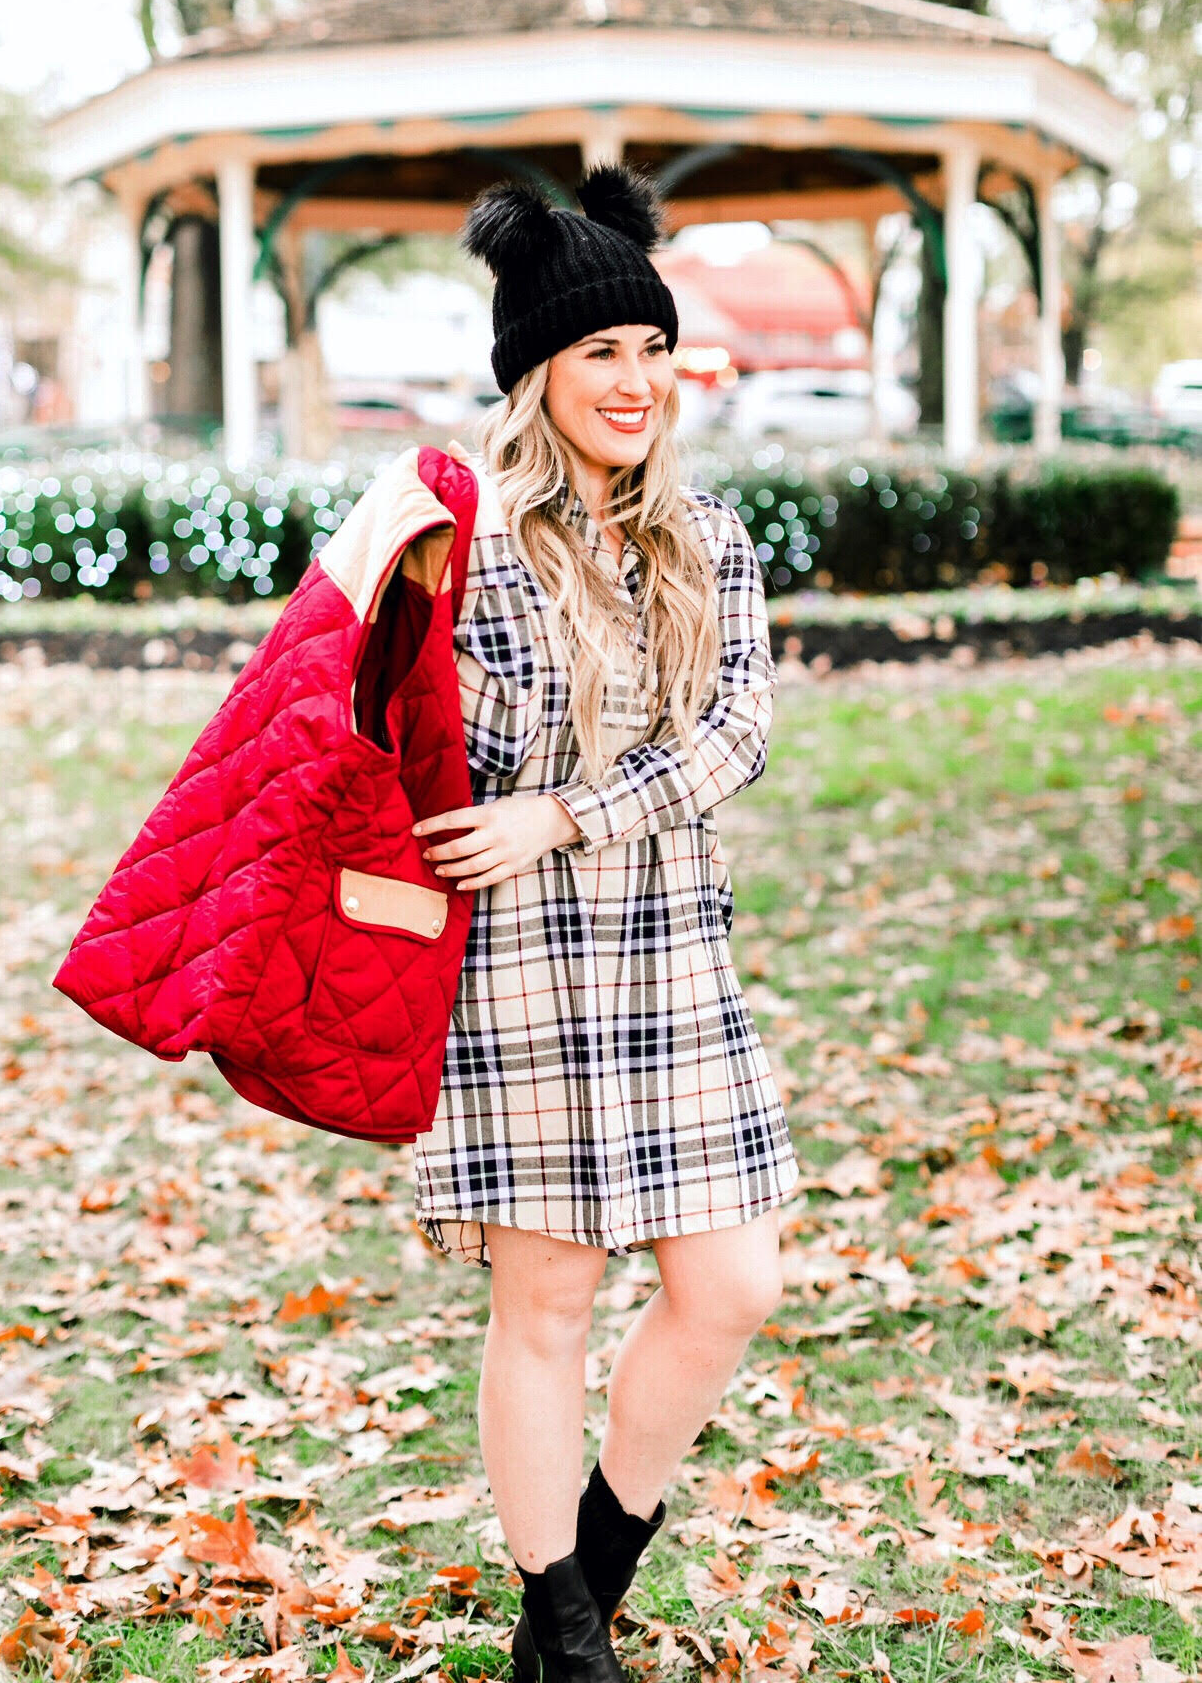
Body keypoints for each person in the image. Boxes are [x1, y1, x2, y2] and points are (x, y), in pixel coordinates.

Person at [408, 162, 799, 1683]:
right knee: (548, 1299)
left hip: (673, 958)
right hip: (519, 971)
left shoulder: (709, 539)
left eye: (650, 349)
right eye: (596, 353)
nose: (633, 382)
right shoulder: (467, 543)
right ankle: (561, 1628)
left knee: (731, 1284)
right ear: (534, 373)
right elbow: (428, 752)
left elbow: (735, 736)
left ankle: (598, 1548)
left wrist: (565, 811)